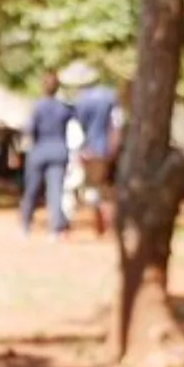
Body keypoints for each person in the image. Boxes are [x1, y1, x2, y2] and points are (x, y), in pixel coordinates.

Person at [64, 65, 121, 238]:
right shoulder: (111, 96)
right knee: (110, 190)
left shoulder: (81, 102)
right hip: (112, 149)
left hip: (92, 150)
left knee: (95, 189)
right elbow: (118, 122)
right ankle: (109, 224)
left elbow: (79, 128)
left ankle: (101, 225)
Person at [19, 73, 73, 238]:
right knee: (55, 191)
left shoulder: (37, 106)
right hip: (59, 151)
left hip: (40, 151)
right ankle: (55, 229)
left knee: (32, 189)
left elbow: (29, 130)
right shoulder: (64, 107)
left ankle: (26, 225)